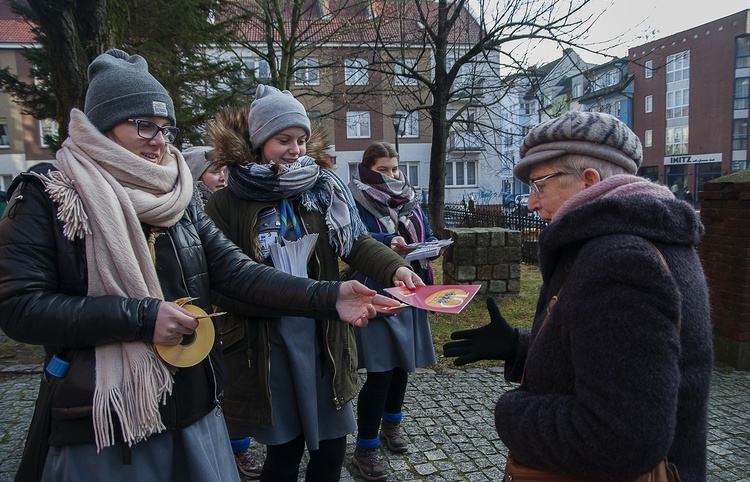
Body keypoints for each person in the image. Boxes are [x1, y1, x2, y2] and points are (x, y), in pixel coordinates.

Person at [0, 49, 397, 482]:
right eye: (143, 125)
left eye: (166, 128)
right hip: (106, 417)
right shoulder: (47, 195)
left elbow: (236, 271)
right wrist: (142, 317)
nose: (158, 140)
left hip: (191, 400)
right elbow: (20, 308)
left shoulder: (180, 197)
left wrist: (331, 296)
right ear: (101, 127)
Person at [443, 111, 712, 482]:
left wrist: (511, 412)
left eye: (539, 185)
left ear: (588, 180)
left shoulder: (621, 261)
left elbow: (622, 440)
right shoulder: (641, 236)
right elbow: (622, 358)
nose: (531, 204)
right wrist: (521, 348)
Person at [204, 85, 423, 482]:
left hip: (325, 334)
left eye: (301, 140)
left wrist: (394, 267)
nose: (295, 149)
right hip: (267, 342)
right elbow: (220, 280)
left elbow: (353, 241)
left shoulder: (320, 189)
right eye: (283, 140)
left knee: (331, 447)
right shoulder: (225, 202)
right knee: (284, 453)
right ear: (258, 141)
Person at [347, 142, 440, 481]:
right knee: (381, 370)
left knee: (403, 366)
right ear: (367, 169)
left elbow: (426, 233)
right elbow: (351, 239)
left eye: (395, 168)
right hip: (376, 293)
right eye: (383, 169)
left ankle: (392, 424)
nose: (391, 175)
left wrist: (430, 246)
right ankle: (365, 447)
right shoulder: (353, 199)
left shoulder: (411, 199)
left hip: (412, 291)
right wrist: (386, 241)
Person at [183, 144, 262, 478]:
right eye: (215, 170)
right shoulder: (189, 210)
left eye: (227, 170)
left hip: (235, 307)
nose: (223, 177)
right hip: (197, 316)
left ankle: (238, 448)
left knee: (232, 382)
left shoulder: (233, 204)